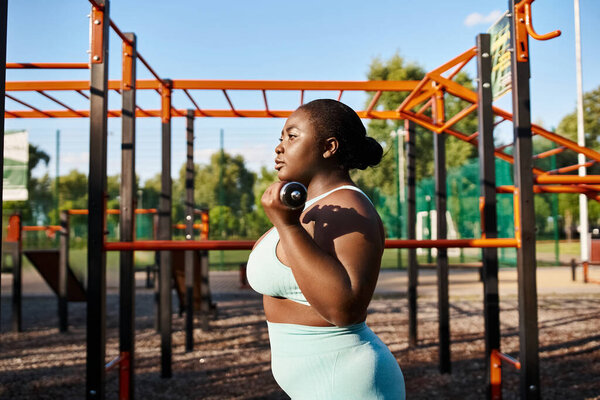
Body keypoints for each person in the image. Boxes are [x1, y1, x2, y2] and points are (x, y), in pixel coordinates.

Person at [246, 99, 405, 399]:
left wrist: (288, 226)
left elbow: (345, 310)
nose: (279, 148)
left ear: (329, 147)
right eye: (280, 138)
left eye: (291, 136)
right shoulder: (309, 206)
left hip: (345, 381)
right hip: (321, 382)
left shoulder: (349, 208)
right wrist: (286, 222)